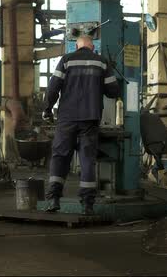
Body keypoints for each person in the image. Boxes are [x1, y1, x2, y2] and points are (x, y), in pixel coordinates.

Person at [42, 35, 120, 215]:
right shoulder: (101, 62)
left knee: (60, 156)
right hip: (90, 118)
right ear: (92, 47)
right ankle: (87, 205)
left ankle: (53, 200)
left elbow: (53, 87)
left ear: (76, 46)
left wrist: (47, 109)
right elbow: (113, 92)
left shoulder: (66, 60)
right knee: (87, 160)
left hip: (67, 118)